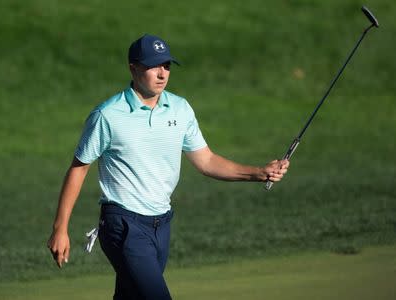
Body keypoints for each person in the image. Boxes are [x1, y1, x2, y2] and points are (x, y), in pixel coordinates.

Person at [47, 33, 290, 300]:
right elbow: (78, 168)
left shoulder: (179, 109)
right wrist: (61, 228)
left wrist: (259, 172)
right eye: (154, 66)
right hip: (123, 224)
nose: (162, 73)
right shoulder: (108, 115)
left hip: (161, 224)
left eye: (167, 65)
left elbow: (206, 160)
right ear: (133, 68)